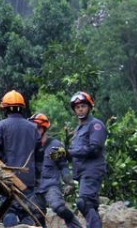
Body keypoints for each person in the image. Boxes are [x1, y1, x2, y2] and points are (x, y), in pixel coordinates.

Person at [51, 91, 107, 228]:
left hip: (92, 170)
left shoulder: (95, 125)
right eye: (77, 107)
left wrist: (69, 152)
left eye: (83, 106)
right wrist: (63, 156)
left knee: (84, 202)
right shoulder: (78, 129)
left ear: (89, 107)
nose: (80, 109)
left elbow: (94, 149)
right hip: (82, 173)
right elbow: (76, 153)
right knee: (91, 204)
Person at [0, 90, 41, 227]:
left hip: (8, 179)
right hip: (29, 180)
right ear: (21, 107)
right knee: (27, 212)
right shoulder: (33, 127)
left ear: (5, 109)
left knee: (9, 211)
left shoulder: (1, 126)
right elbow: (39, 154)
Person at [29, 113, 82, 228]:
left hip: (51, 185)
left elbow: (63, 166)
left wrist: (69, 183)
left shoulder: (55, 146)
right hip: (36, 187)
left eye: (38, 127)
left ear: (44, 128)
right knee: (37, 215)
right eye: (33, 128)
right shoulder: (31, 147)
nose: (35, 131)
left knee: (59, 207)